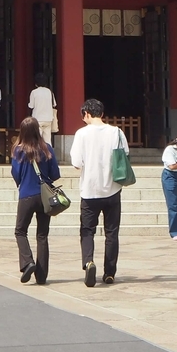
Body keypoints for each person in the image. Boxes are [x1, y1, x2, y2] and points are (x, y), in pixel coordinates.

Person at [70, 98, 128, 287]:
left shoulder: (81, 134)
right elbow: (125, 155)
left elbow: (77, 163)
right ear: (102, 114)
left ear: (86, 113)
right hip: (113, 189)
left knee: (87, 231)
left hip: (90, 190)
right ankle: (109, 272)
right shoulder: (117, 132)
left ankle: (89, 262)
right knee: (112, 232)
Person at [11, 117, 60, 285]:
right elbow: (55, 174)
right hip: (44, 196)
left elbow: (16, 174)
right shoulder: (48, 149)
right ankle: (42, 275)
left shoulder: (18, 150)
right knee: (42, 235)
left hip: (26, 194)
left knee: (20, 231)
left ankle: (28, 262)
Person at [28, 73, 56, 143]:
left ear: (36, 83)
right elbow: (54, 104)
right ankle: (48, 153)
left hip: (38, 119)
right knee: (48, 140)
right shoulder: (49, 92)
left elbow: (31, 106)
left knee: (37, 140)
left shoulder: (34, 92)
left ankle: (37, 153)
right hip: (48, 119)